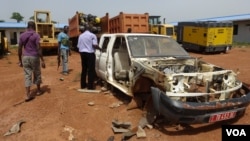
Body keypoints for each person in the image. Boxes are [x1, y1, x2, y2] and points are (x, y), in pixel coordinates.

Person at [18, 21, 46, 102]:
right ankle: (38, 90)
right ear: (34, 27)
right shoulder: (36, 35)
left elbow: (19, 48)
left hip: (25, 57)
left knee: (27, 75)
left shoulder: (22, 35)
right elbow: (38, 48)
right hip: (34, 57)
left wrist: (20, 60)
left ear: (27, 26)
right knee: (37, 73)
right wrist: (42, 60)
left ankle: (27, 95)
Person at [77, 25, 101, 90]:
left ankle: (83, 85)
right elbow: (95, 45)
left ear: (84, 29)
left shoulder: (80, 36)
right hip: (90, 53)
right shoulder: (92, 35)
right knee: (91, 70)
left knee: (84, 69)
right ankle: (90, 86)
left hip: (82, 54)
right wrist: (100, 48)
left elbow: (78, 46)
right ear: (90, 29)